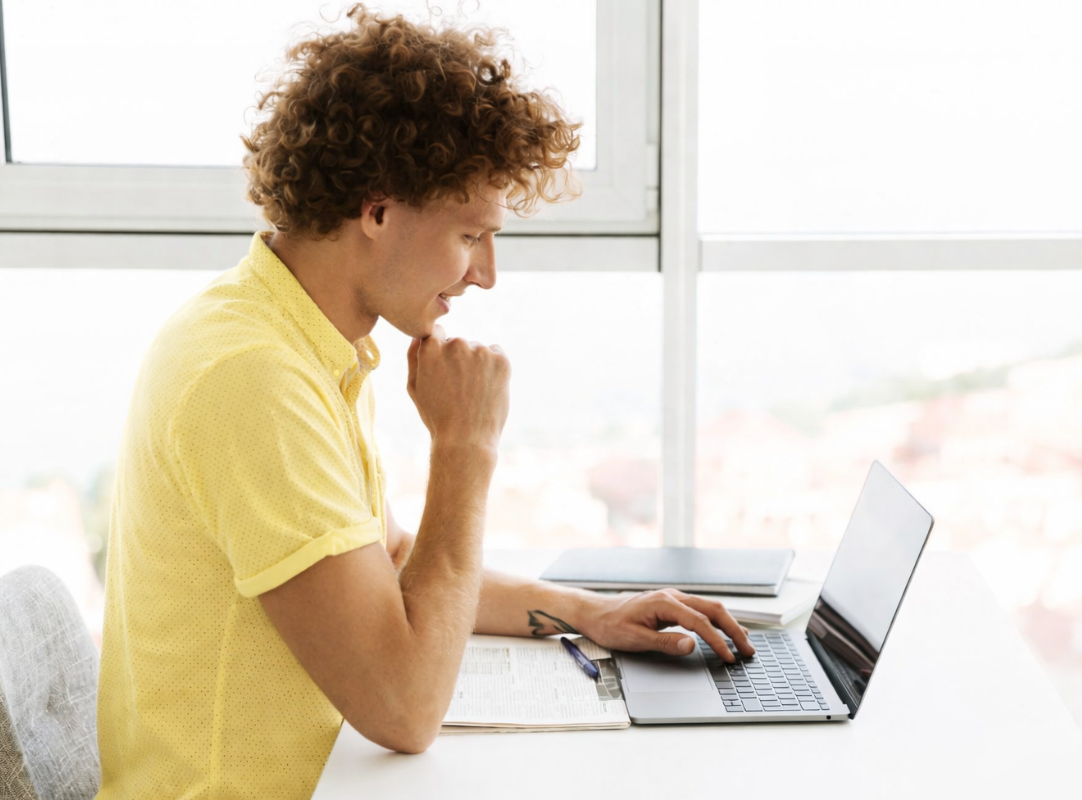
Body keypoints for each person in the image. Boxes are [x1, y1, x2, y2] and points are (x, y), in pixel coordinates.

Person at [94, 6, 753, 798]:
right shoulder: (254, 380)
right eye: (471, 236)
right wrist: (465, 447)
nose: (487, 275)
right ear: (378, 211)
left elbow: (390, 560)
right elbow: (405, 709)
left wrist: (589, 612)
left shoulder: (296, 336)